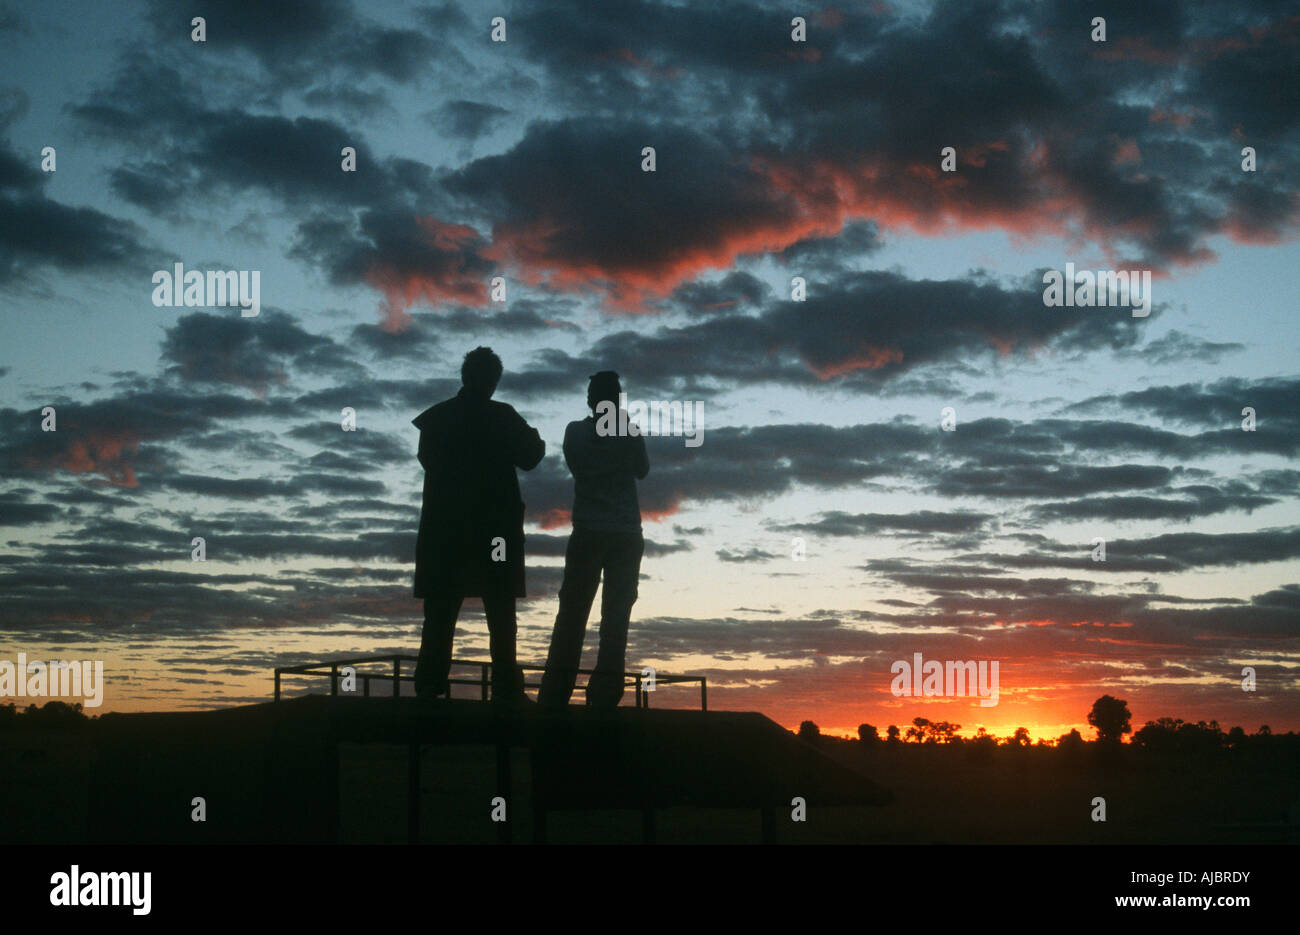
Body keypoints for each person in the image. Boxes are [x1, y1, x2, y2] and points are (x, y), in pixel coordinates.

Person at [411, 347, 545, 705]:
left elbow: (428, 460)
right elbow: (532, 455)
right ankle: (506, 688)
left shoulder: (437, 419)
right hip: (494, 531)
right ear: (493, 382)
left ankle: (428, 685)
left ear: (464, 376)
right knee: (500, 609)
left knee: (440, 609)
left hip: (447, 531)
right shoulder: (503, 418)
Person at [539, 371, 649, 710]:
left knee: (571, 614)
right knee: (616, 620)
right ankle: (604, 695)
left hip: (587, 531)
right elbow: (642, 470)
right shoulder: (627, 430)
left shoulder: (575, 432)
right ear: (617, 400)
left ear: (589, 400)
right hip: (625, 534)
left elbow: (578, 466)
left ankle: (555, 692)